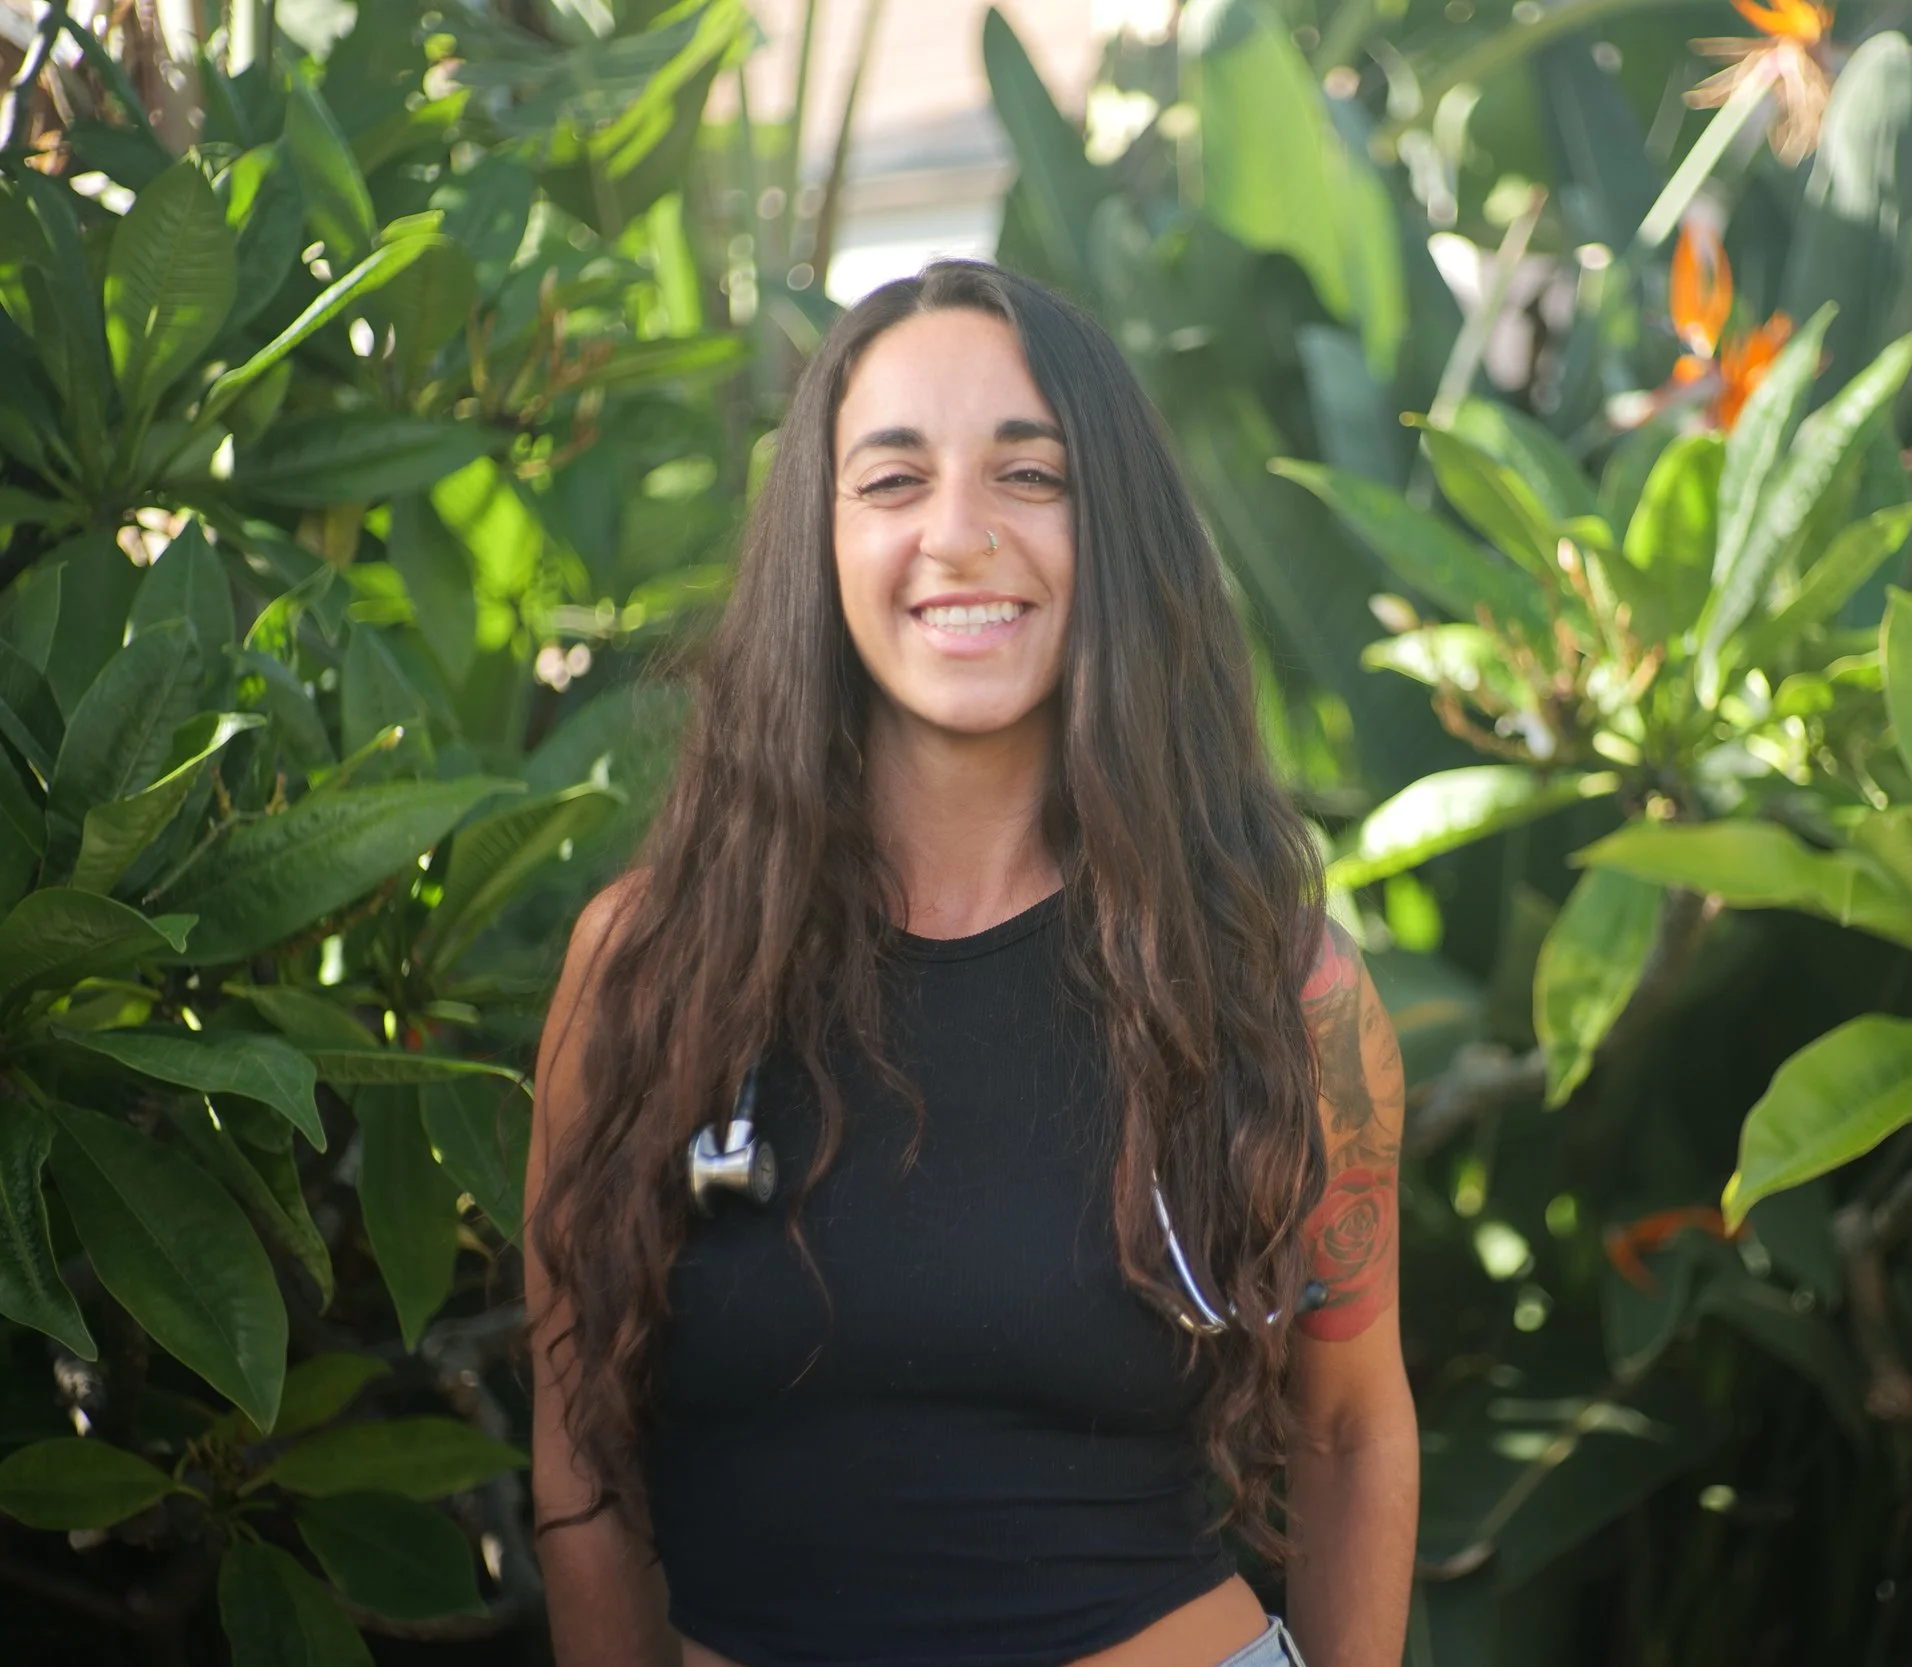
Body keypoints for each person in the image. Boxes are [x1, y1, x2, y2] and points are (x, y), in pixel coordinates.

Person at [524, 259, 1418, 1667]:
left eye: (1031, 474)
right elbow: (578, 1443)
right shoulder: (648, 971)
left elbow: (1354, 1425)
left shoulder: (1274, 983)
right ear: (817, 542)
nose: (959, 533)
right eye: (891, 481)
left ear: (1112, 526)